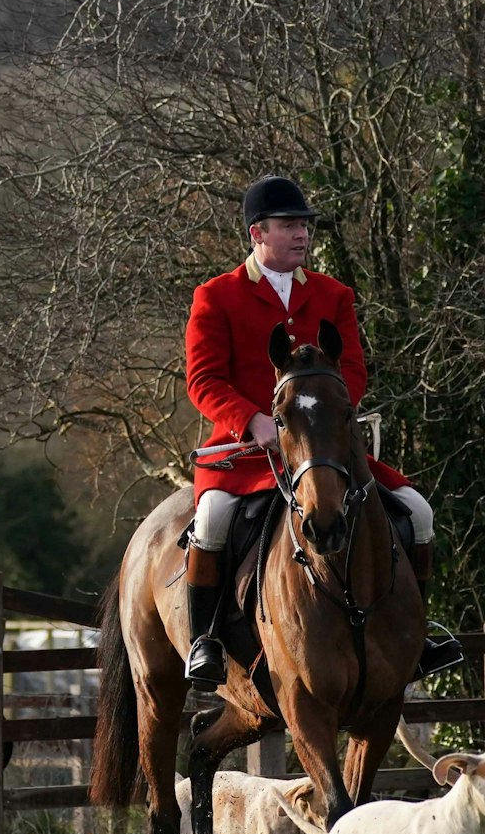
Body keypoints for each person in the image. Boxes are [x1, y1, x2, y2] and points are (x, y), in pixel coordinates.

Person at [183, 176, 453, 690]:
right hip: (247, 452)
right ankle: (206, 640)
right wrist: (253, 419)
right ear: (257, 233)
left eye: (305, 225)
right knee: (213, 519)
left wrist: (328, 415)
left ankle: (415, 639)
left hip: (326, 449)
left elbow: (352, 368)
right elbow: (203, 379)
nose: (302, 234)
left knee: (418, 511)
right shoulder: (216, 296)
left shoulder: (334, 295)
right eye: (289, 226)